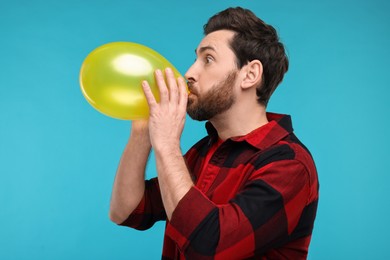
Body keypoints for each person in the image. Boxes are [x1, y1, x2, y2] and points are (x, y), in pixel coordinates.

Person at [109, 6, 319, 259]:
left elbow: (210, 246)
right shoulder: (203, 152)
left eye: (207, 59)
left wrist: (166, 143)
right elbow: (126, 211)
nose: (189, 73)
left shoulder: (289, 164)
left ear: (250, 74)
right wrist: (142, 132)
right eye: (195, 58)